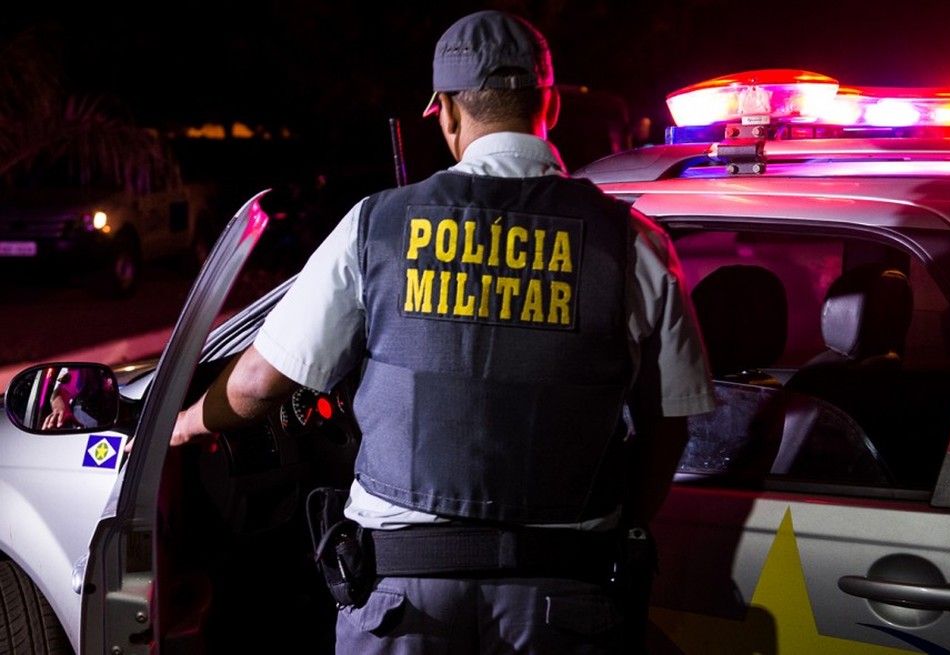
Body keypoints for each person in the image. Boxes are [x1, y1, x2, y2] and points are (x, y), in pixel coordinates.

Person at [171, 9, 715, 654]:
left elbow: (260, 384)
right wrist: (622, 527)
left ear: (449, 112)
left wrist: (180, 427)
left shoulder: (377, 224)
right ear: (551, 108)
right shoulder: (633, 241)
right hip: (566, 594)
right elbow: (669, 420)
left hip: (405, 594)